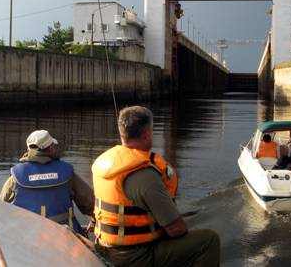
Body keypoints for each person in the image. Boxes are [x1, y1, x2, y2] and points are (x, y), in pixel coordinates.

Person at [92, 106, 220, 267]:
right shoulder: (145, 176)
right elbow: (176, 229)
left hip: (104, 247)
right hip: (135, 257)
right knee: (209, 240)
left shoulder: (103, 162)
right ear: (146, 134)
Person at [0, 130, 94, 235]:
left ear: (28, 149)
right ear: (50, 148)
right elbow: (90, 203)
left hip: (27, 238)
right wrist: (94, 221)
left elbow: (0, 208)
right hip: (66, 237)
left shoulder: (16, 177)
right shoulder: (66, 173)